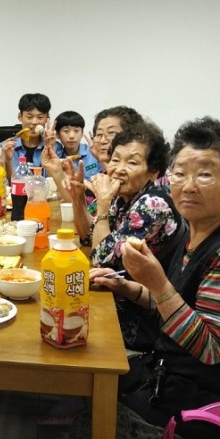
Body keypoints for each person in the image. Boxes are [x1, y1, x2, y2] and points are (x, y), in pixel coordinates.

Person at [70, 117, 220, 439]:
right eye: (179, 173)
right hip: (182, 376)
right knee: (95, 379)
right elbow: (181, 304)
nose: (187, 186)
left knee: (94, 420)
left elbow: (210, 348)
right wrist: (129, 287)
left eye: (204, 175)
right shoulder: (199, 229)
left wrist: (157, 284)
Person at [70, 121, 185, 351]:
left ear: (153, 171)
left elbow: (101, 259)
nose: (119, 169)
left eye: (132, 162)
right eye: (115, 160)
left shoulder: (151, 204)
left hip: (144, 318)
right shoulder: (126, 196)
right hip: (122, 296)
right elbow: (90, 238)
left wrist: (103, 203)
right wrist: (77, 197)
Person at [1, 92, 52, 179]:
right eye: (29, 117)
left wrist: (50, 147)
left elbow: (55, 181)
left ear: (47, 118)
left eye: (40, 117)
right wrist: (8, 161)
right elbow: (10, 183)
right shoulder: (6, 147)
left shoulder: (55, 147)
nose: (34, 122)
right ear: (20, 117)